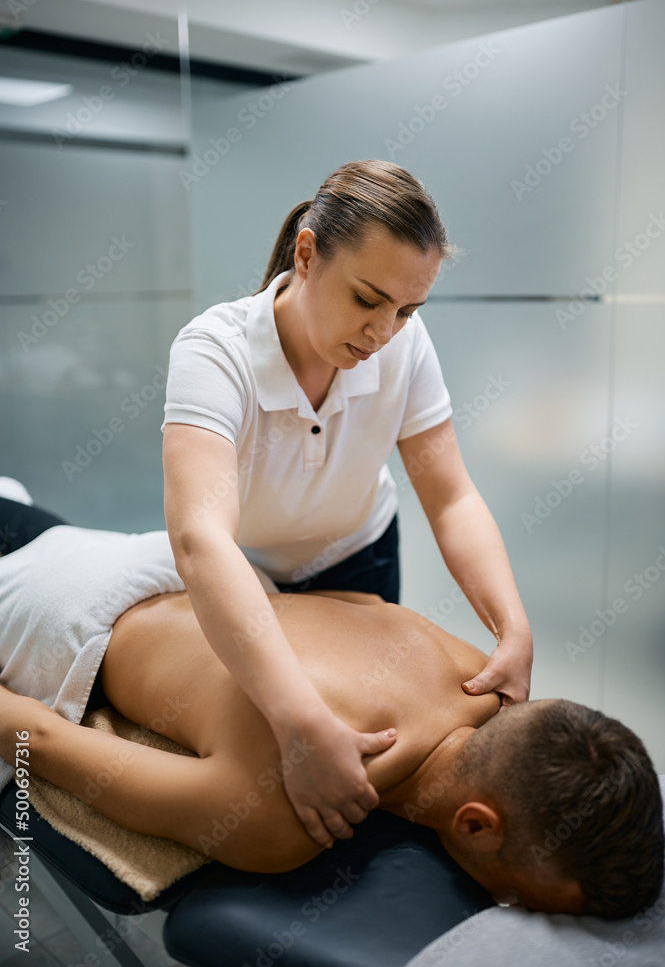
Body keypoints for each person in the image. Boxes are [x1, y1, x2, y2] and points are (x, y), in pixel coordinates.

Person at [0, 499, 663, 919]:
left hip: (158, 560)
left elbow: (362, 609)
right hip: (49, 612)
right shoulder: (287, 815)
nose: (505, 907)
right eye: (519, 900)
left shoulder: (471, 669)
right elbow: (43, 744)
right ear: (476, 825)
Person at [161, 158, 534, 851]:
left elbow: (449, 495)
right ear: (306, 254)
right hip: (247, 579)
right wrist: (296, 723)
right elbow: (200, 542)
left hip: (359, 557)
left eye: (406, 309)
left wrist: (510, 625)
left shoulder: (401, 343)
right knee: (280, 757)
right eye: (367, 300)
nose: (383, 332)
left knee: (369, 770)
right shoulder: (214, 352)